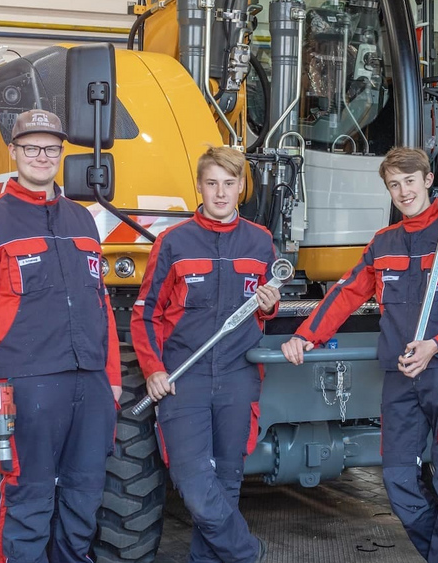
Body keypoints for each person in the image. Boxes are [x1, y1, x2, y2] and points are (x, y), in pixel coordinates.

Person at [280, 147, 438, 563]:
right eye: (394, 185)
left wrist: (436, 345)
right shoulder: (383, 244)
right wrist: (307, 336)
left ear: (428, 181)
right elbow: (345, 295)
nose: (403, 191)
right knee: (397, 481)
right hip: (400, 378)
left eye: (410, 181)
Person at [0, 109, 122, 563]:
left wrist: (112, 376)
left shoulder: (83, 220)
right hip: (24, 384)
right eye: (31, 147)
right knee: (29, 500)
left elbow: (100, 305)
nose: (41, 157)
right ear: (14, 152)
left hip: (89, 384)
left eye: (51, 148)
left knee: (84, 499)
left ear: (61, 154)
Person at [131, 146, 280, 563]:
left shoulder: (260, 241)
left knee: (227, 483)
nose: (220, 193)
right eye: (212, 183)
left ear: (240, 188)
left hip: (237, 375)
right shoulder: (174, 243)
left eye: (229, 184)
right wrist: (153, 368)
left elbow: (265, 307)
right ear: (199, 186)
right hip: (184, 377)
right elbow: (145, 315)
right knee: (196, 485)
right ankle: (248, 552)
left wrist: (269, 303)